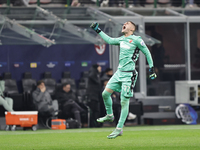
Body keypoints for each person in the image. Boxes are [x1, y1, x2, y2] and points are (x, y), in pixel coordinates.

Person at [90, 21, 157, 139]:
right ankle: (110, 115)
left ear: (132, 28)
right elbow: (110, 40)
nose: (124, 24)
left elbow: (147, 52)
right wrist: (98, 30)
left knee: (123, 102)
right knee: (105, 93)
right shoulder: (121, 39)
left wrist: (151, 68)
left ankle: (119, 128)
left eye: (127, 23)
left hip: (129, 75)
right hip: (118, 73)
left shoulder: (137, 39)